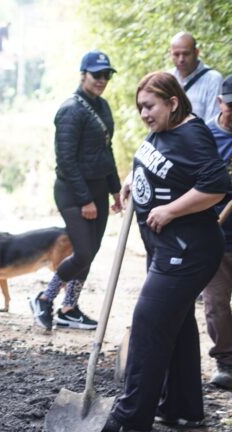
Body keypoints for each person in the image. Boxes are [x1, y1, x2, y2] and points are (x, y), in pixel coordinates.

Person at [102, 71, 229, 432]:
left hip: (188, 251)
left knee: (148, 326)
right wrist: (133, 178)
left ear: (173, 103)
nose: (143, 113)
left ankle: (129, 421)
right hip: (166, 249)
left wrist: (172, 209)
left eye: (149, 106)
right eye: (140, 107)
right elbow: (158, 160)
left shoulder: (192, 134)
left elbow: (217, 186)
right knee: (176, 326)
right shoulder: (164, 130)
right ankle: (182, 408)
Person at [29, 50, 122, 331]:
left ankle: (69, 308)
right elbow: (66, 161)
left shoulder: (102, 106)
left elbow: (106, 151)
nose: (102, 80)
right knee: (82, 253)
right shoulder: (71, 109)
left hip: (98, 190)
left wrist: (115, 190)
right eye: (97, 75)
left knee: (90, 253)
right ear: (83, 75)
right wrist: (85, 199)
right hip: (73, 193)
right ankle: (45, 298)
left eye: (106, 75)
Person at [201, 74, 232, 391]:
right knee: (217, 303)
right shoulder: (205, 136)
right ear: (220, 102)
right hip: (216, 234)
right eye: (231, 105)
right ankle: (226, 361)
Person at [169, 31, 223, 123]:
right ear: (170, 53)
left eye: (186, 54)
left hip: (200, 136)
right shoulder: (168, 78)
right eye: (176, 54)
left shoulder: (213, 79)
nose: (181, 59)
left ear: (196, 52)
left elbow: (213, 121)